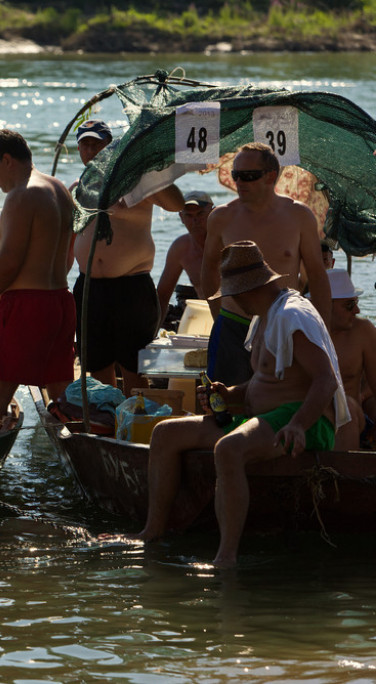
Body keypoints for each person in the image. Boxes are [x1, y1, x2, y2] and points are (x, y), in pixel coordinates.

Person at [135, 241, 348, 567]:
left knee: (229, 449)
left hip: (304, 421)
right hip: (263, 415)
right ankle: (152, 533)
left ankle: (226, 557)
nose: (233, 300)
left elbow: (325, 379)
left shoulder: (293, 315)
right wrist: (229, 394)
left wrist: (297, 425)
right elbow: (264, 383)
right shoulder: (264, 317)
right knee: (166, 434)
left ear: (252, 288)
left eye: (235, 293)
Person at [200, 142, 331, 387]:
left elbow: (317, 275)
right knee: (224, 406)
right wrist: (218, 317)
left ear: (271, 176)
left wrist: (321, 329)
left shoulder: (299, 216)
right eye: (236, 175)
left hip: (282, 326)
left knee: (276, 403)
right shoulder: (221, 217)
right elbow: (208, 269)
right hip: (232, 325)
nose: (240, 183)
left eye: (249, 176)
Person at [71, 119, 185, 393]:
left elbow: (177, 204)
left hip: (130, 288)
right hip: (89, 287)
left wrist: (148, 172)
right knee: (96, 367)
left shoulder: (137, 181)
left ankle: (135, 420)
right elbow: (68, 239)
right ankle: (106, 419)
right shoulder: (78, 187)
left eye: (96, 143)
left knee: (134, 367)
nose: (90, 149)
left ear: (111, 147)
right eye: (84, 144)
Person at [0, 128, 77, 418]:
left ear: (7, 160)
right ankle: (80, 450)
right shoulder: (60, 189)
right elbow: (69, 255)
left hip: (25, 307)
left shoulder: (21, 195)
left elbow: (8, 263)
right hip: (60, 302)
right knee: (62, 397)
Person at [324, 269, 376, 449]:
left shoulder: (363, 331)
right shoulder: (302, 334)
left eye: (356, 302)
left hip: (355, 421)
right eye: (349, 304)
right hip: (314, 419)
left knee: (348, 409)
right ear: (325, 305)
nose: (357, 310)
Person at [155, 190, 214, 329]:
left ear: (213, 213)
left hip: (236, 317)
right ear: (181, 217)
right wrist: (152, 334)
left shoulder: (229, 240)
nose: (195, 221)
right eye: (188, 215)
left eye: (200, 214)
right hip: (206, 318)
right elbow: (162, 296)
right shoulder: (181, 248)